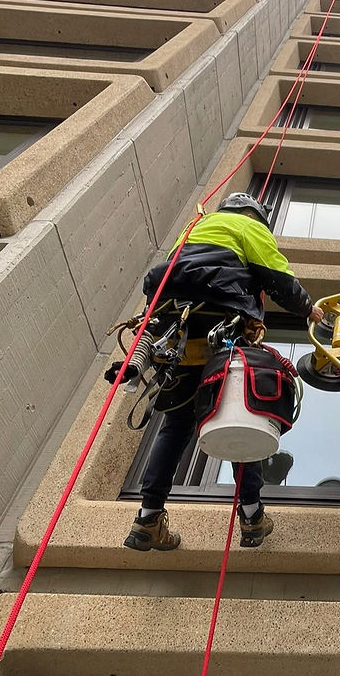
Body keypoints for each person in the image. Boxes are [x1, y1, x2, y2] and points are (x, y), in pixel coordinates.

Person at [124, 192, 324, 552]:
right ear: (254, 214)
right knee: (238, 413)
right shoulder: (248, 226)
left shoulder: (195, 227)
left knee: (176, 424)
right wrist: (308, 309)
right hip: (223, 323)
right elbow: (277, 277)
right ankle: (251, 515)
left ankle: (148, 517)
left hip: (178, 332)